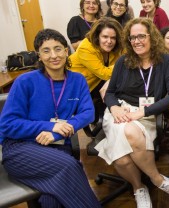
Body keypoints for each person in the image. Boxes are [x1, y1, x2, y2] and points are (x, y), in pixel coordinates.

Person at [0, 29, 100, 207]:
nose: (53, 55)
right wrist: (49, 126)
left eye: (58, 49)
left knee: (52, 200)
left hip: (58, 146)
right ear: (39, 56)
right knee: (70, 166)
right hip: (20, 148)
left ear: (66, 51)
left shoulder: (78, 80)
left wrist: (57, 133)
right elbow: (7, 124)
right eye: (46, 50)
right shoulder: (25, 82)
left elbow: (88, 113)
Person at [95, 18, 169, 207]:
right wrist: (115, 107)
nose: (137, 41)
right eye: (132, 38)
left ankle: (146, 185)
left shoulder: (165, 61)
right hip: (120, 111)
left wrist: (143, 112)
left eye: (141, 36)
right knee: (126, 146)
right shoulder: (123, 62)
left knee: (123, 154)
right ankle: (150, 183)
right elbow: (109, 93)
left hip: (146, 114)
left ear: (152, 37)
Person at [69, 17, 123, 103]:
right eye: (105, 37)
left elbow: (128, 57)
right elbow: (105, 74)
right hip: (75, 92)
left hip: (96, 87)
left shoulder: (116, 46)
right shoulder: (85, 48)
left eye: (113, 38)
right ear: (97, 36)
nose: (109, 41)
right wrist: (122, 65)